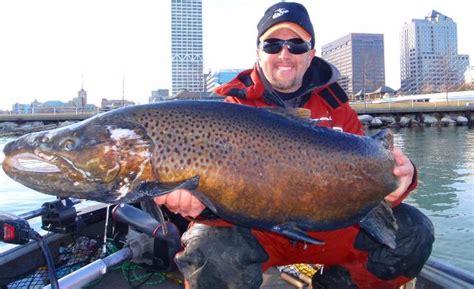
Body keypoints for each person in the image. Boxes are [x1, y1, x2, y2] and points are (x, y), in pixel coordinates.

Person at [155, 2, 434, 288]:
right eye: (273, 44)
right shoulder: (229, 109)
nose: (284, 54)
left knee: (415, 232)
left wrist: (405, 176)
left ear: (311, 54)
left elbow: (365, 178)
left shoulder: (338, 107)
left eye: (297, 45)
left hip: (328, 227)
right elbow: (216, 200)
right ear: (258, 53)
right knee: (206, 251)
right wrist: (199, 205)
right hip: (254, 230)